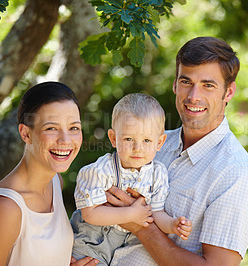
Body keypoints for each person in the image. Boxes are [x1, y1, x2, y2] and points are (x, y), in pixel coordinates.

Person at [107, 36, 248, 265]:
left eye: (208, 85)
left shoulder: (238, 176)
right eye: (186, 82)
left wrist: (141, 227)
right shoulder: (153, 145)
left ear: (229, 92)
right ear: (175, 84)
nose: (194, 96)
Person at [0, 82, 98, 266]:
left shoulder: (55, 182)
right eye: (51, 128)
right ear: (25, 134)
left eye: (74, 128)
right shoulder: (6, 207)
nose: (66, 140)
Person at [70, 93, 193, 265]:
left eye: (147, 140)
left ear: (160, 142)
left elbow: (156, 214)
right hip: (91, 242)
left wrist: (172, 225)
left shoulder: (158, 174)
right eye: (129, 139)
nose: (137, 148)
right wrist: (131, 214)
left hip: (124, 246)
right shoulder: (102, 170)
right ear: (113, 138)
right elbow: (90, 214)